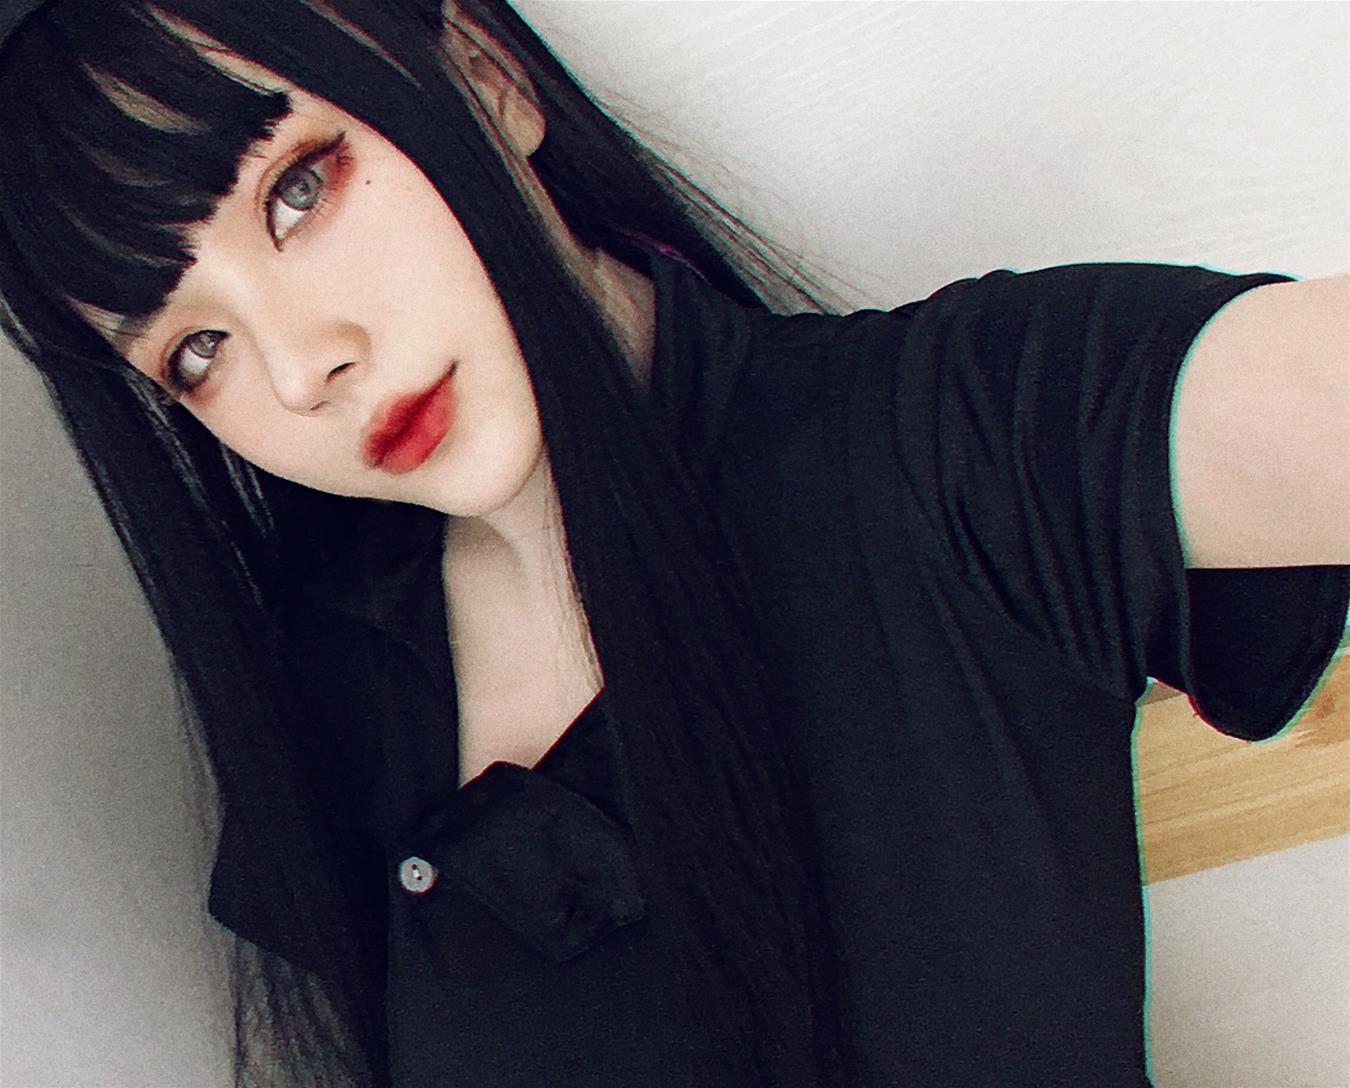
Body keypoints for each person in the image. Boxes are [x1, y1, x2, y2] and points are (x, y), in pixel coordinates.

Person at [0, 1, 1345, 1086]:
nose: (303, 371)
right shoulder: (334, 704)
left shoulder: (945, 442)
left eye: (298, 190)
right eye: (196, 350)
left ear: (487, 77)